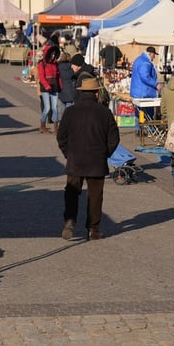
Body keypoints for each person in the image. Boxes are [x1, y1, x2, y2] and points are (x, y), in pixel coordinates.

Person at [56, 76, 120, 241]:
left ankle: (70, 221)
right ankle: (93, 229)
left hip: (75, 159)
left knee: (71, 192)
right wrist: (105, 154)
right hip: (96, 160)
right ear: (96, 94)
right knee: (95, 195)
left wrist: (68, 153)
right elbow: (114, 138)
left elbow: (61, 136)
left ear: (82, 92)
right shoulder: (105, 113)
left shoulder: (70, 111)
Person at [37, 44, 62, 134]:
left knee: (55, 108)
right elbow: (41, 77)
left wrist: (60, 86)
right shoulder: (41, 64)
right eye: (52, 54)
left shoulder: (55, 64)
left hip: (54, 87)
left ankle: (56, 127)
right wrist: (47, 86)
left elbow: (58, 76)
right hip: (45, 88)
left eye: (54, 54)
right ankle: (42, 126)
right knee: (47, 108)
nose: (53, 56)